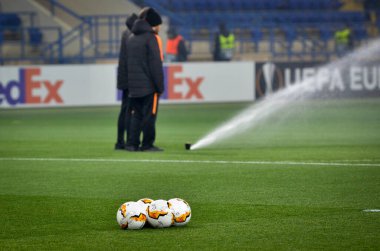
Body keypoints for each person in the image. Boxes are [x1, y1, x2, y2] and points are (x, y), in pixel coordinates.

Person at [125, 7, 164, 152]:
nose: (159, 27)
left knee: (136, 116)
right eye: (158, 24)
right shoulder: (151, 38)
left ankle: (131, 144)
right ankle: (147, 144)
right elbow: (155, 65)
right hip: (148, 86)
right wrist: (159, 87)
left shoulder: (131, 38)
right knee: (150, 116)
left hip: (134, 87)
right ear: (153, 24)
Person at [115, 13, 138, 150]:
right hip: (130, 78)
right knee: (130, 111)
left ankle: (120, 141)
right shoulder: (131, 36)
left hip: (124, 77)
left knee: (124, 110)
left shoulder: (125, 34)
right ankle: (129, 140)